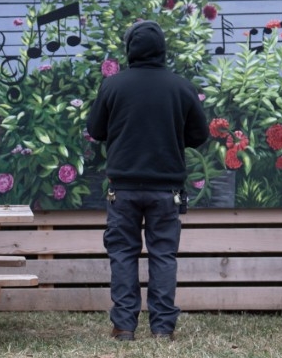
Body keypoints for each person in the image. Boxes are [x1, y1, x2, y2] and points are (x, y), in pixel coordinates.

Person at [86, 20, 208, 341]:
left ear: (129, 50)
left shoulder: (113, 86)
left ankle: (124, 326)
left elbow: (96, 130)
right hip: (167, 190)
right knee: (163, 254)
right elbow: (200, 135)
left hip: (122, 190)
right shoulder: (180, 87)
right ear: (162, 50)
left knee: (123, 254)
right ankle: (162, 329)